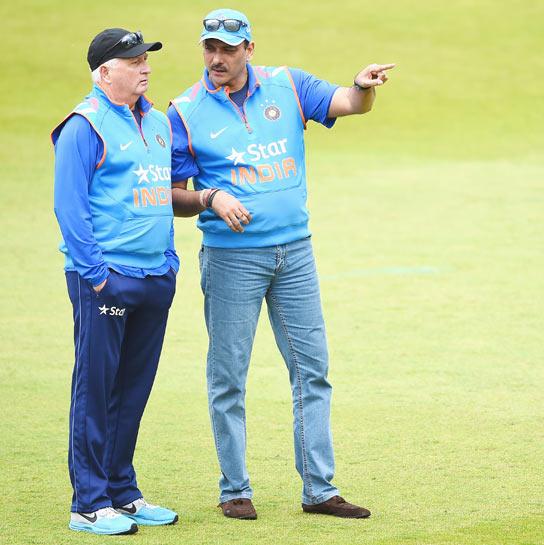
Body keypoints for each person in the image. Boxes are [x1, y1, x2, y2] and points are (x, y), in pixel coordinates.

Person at [169, 8, 394, 520]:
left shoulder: (288, 85)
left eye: (229, 48)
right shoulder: (183, 111)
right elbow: (172, 195)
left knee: (311, 370)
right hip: (231, 260)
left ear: (250, 48)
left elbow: (348, 103)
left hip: (295, 253)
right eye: (210, 48)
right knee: (229, 374)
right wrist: (210, 199)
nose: (218, 58)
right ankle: (235, 489)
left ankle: (319, 489)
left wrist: (363, 86)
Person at [52, 28, 180, 535]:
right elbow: (70, 207)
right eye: (131, 60)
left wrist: (169, 260)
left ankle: (122, 491)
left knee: (132, 390)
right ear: (104, 72)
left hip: (154, 276)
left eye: (145, 57)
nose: (144, 66)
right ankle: (88, 501)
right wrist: (96, 276)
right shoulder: (85, 125)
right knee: (96, 387)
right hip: (106, 281)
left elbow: (161, 194)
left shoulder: (159, 121)